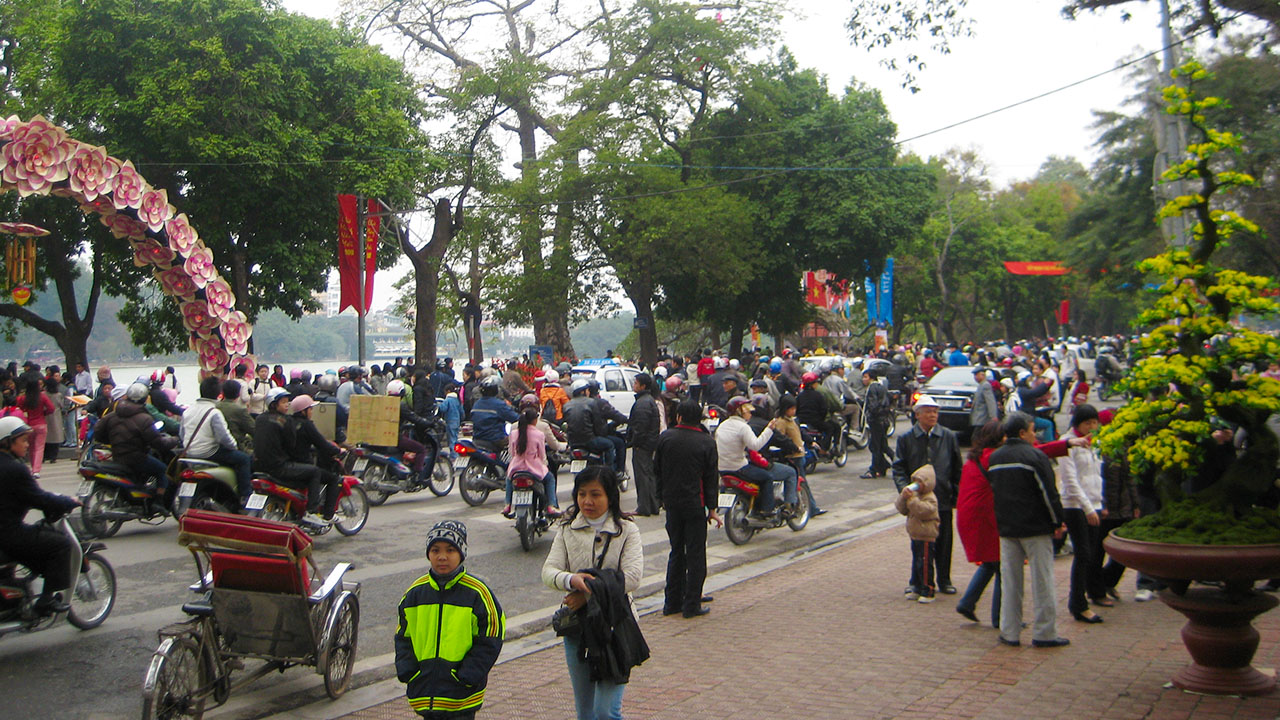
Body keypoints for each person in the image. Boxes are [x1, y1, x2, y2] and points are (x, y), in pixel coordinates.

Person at [541, 467, 645, 720]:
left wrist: (587, 594)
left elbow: (632, 578)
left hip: (614, 626)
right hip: (578, 628)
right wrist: (571, 579)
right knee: (586, 712)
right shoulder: (567, 528)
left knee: (606, 712)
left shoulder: (627, 531)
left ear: (610, 496)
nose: (587, 501)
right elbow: (549, 571)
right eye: (582, 494)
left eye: (596, 494)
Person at [396, 520, 505, 720]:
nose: (442, 556)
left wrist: (468, 675)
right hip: (424, 691)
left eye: (450, 550)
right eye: (435, 550)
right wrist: (408, 670)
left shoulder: (477, 593)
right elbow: (403, 635)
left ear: (461, 553)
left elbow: (491, 635)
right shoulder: (414, 593)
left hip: (462, 694)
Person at [988, 412, 1070, 648]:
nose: (1036, 435)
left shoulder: (995, 458)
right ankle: (1045, 632)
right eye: (1033, 430)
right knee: (1042, 580)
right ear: (1023, 433)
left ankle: (1009, 631)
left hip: (1006, 527)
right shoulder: (1035, 456)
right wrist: (1058, 521)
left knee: (1010, 582)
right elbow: (1049, 493)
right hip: (1035, 527)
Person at [0, 417, 80, 614]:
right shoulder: (15, 469)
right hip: (8, 534)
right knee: (60, 545)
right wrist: (68, 502)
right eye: (23, 440)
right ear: (9, 442)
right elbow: (39, 498)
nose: (27, 445)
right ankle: (45, 601)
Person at [655, 399, 722, 618]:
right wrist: (712, 508)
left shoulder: (666, 438)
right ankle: (692, 603)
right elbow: (711, 478)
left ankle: (672, 602)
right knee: (695, 554)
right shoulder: (706, 442)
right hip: (695, 504)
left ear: (679, 416)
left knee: (676, 552)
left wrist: (660, 497)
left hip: (672, 503)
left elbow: (657, 471)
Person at [892, 395, 963, 595]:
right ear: (917, 415)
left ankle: (944, 579)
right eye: (928, 411)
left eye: (935, 411)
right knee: (919, 543)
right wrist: (905, 491)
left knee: (944, 540)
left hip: (943, 498)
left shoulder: (948, 436)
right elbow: (898, 468)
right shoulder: (907, 439)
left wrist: (956, 493)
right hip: (917, 501)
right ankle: (917, 581)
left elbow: (957, 468)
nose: (932, 415)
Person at [1058, 404, 1108, 624]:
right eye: (1088, 422)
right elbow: (1071, 481)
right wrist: (1087, 507)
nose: (1092, 426)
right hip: (1075, 506)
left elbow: (1097, 474)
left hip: (1094, 502)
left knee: (1093, 553)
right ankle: (1078, 603)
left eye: (1095, 422)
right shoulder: (1068, 442)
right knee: (1083, 554)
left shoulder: (1093, 443)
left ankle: (1089, 594)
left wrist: (1099, 502)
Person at [254, 387, 332, 526]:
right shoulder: (285, 421)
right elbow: (291, 445)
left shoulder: (260, 418)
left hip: (259, 466)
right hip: (279, 467)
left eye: (287, 402)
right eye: (283, 402)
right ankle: (312, 512)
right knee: (315, 472)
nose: (287, 405)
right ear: (274, 404)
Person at [955, 420, 1004, 627]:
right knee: (1004, 566)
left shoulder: (976, 457)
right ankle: (1001, 618)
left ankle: (968, 603)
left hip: (972, 516)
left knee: (991, 563)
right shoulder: (993, 457)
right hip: (986, 518)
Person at [716, 395, 798, 516]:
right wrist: (769, 429)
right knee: (767, 477)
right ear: (740, 411)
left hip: (722, 469)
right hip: (739, 468)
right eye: (748, 410)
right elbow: (755, 446)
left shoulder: (722, 426)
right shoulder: (743, 427)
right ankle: (767, 510)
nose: (750, 413)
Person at [94, 382, 180, 497]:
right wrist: (175, 440)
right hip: (137, 458)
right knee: (163, 470)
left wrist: (114, 441)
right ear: (144, 399)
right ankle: (159, 500)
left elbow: (98, 433)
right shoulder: (144, 419)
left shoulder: (113, 415)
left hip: (117, 456)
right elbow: (157, 442)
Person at [181, 376, 253, 505]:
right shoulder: (214, 412)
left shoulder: (188, 410)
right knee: (243, 459)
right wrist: (234, 446)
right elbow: (224, 438)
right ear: (218, 393)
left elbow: (182, 434)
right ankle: (245, 496)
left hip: (189, 452)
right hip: (209, 452)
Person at [503, 405, 560, 518]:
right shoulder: (539, 434)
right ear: (535, 420)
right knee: (550, 479)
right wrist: (544, 465)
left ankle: (507, 504)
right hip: (534, 467)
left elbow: (512, 452)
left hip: (516, 467)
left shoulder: (514, 433)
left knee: (509, 479)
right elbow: (542, 455)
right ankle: (551, 505)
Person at [896, 465, 941, 603]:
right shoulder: (913, 496)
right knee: (916, 562)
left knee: (925, 563)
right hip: (915, 535)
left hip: (926, 535)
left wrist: (912, 501)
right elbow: (902, 509)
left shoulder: (930, 498)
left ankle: (928, 589)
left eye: (920, 482)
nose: (917, 485)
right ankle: (916, 586)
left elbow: (923, 511)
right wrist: (903, 498)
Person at [628, 374, 661, 516]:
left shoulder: (643, 403)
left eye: (636, 383)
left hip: (643, 445)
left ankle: (644, 507)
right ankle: (652, 506)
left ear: (643, 386)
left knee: (643, 476)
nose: (634, 385)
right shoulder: (647, 401)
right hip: (649, 443)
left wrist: (635, 442)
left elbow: (640, 427)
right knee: (648, 474)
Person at [563, 380, 615, 469]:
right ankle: (609, 473)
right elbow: (598, 425)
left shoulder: (566, 405)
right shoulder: (591, 402)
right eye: (587, 390)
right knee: (610, 445)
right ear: (582, 391)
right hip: (589, 441)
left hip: (573, 443)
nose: (588, 392)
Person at [16, 373, 55, 477]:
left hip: (28, 425)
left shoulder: (23, 398)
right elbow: (51, 408)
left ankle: (33, 467)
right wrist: (44, 413)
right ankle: (36, 470)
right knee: (39, 448)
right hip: (41, 424)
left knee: (31, 447)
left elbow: (18, 409)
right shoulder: (42, 396)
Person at [469, 376, 518, 451]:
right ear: (496, 390)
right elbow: (515, 418)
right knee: (515, 440)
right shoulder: (499, 404)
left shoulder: (477, 404)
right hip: (495, 440)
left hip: (477, 439)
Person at [859, 368, 892, 479]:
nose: (863, 379)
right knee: (882, 446)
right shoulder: (881, 386)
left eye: (865, 377)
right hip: (883, 420)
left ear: (871, 378)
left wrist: (871, 415)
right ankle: (884, 466)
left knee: (876, 446)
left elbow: (873, 406)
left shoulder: (872, 388)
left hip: (877, 421)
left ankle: (873, 470)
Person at [217, 379, 255, 454]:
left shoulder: (215, 406)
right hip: (236, 446)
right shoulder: (239, 410)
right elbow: (253, 429)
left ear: (223, 392)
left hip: (217, 446)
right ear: (238, 394)